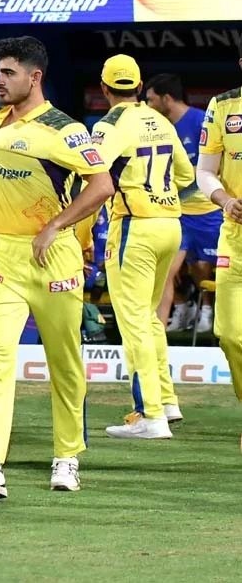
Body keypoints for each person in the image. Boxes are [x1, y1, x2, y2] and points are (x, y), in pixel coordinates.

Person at [0, 36, 115, 500]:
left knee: (64, 362)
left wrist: (55, 226)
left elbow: (102, 186)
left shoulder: (65, 129)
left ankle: (67, 456)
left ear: (34, 77)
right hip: (3, 253)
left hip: (52, 255)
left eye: (8, 73)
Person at [91, 56, 194, 439]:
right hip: (170, 224)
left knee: (133, 322)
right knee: (148, 317)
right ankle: (166, 401)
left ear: (104, 88)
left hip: (135, 226)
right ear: (138, 86)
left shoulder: (109, 125)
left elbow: (93, 172)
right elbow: (185, 173)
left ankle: (150, 414)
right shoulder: (160, 119)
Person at [146, 73, 221, 335]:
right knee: (166, 271)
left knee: (202, 269)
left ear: (167, 98)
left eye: (151, 100)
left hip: (210, 212)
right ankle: (166, 324)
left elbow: (214, 167)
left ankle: (207, 309)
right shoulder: (159, 127)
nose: (148, 105)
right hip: (178, 216)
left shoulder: (201, 121)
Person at [196, 40, 242, 436]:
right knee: (228, 333)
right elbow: (205, 171)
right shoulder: (223, 107)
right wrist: (225, 200)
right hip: (236, 238)